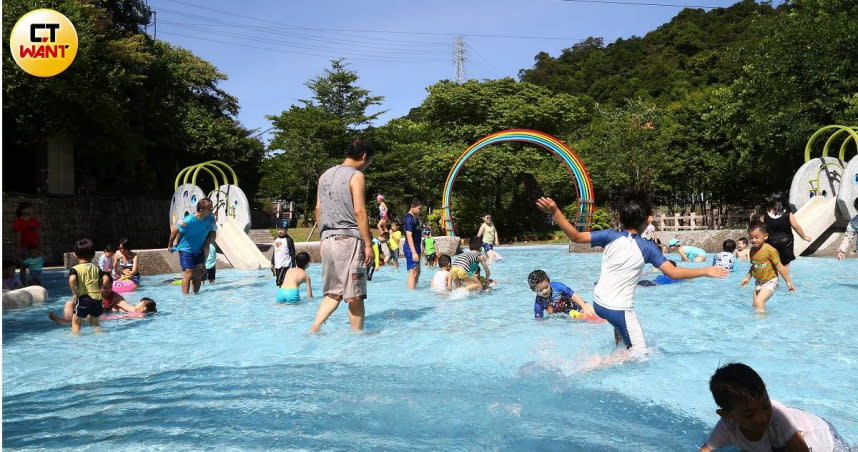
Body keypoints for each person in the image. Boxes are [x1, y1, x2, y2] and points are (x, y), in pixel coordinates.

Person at [536, 189, 728, 354]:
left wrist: (555, 211)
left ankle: (618, 345)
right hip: (618, 309)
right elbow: (673, 273)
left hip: (599, 303)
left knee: (620, 331)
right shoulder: (648, 247)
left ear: (619, 218)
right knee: (639, 354)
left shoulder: (610, 235)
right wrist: (705, 270)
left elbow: (576, 236)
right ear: (649, 220)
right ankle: (594, 365)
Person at [699, 362, 849, 452]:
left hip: (822, 438)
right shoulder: (727, 427)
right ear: (726, 415)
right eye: (749, 415)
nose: (762, 418)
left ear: (765, 389)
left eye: (765, 405)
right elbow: (706, 449)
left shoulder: (778, 417)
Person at [309, 138, 374, 332]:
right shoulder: (356, 176)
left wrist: (322, 238)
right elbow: (360, 212)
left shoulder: (324, 176)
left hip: (327, 240)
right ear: (364, 157)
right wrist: (368, 244)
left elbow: (318, 209)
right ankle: (358, 340)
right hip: (348, 241)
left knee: (333, 293)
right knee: (355, 295)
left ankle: (314, 329)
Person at [741, 222, 795, 313]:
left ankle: (763, 324)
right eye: (751, 237)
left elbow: (780, 267)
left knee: (759, 302)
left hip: (770, 281)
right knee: (755, 304)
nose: (753, 240)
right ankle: (758, 321)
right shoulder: (752, 251)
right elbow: (753, 266)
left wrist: (788, 282)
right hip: (759, 282)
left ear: (765, 236)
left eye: (756, 237)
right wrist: (747, 278)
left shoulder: (770, 250)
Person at [168, 198, 217, 295]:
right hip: (186, 249)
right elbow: (175, 231)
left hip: (198, 248)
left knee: (198, 273)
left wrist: (211, 240)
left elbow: (212, 230)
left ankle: (196, 295)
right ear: (201, 210)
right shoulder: (189, 220)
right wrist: (170, 245)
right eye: (210, 209)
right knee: (189, 272)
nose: (212, 210)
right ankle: (186, 297)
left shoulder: (210, 218)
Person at [760, 192, 811, 283]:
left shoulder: (765, 215)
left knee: (773, 264)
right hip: (786, 243)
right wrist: (804, 237)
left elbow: (760, 228)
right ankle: (787, 282)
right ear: (784, 201)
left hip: (770, 243)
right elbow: (795, 226)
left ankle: (773, 281)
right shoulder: (787, 214)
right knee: (785, 265)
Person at [67, 238, 111, 334]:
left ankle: (75, 339)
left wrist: (74, 293)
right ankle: (101, 335)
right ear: (94, 255)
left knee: (76, 321)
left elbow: (72, 280)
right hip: (97, 299)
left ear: (75, 254)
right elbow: (106, 278)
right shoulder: (96, 268)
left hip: (84, 299)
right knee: (95, 323)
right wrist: (101, 287)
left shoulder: (75, 268)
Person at [527, 269, 594, 319]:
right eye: (540, 290)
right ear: (534, 290)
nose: (545, 291)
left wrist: (585, 308)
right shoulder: (539, 302)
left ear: (549, 282)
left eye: (546, 287)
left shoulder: (558, 287)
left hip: (575, 305)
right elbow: (539, 319)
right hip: (563, 314)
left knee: (591, 310)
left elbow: (574, 296)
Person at [13, 202, 40, 286]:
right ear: (22, 210)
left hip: (34, 247)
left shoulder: (34, 221)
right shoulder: (19, 221)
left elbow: (38, 234)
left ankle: (34, 282)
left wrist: (40, 246)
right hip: (24, 247)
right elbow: (18, 236)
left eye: (31, 208)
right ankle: (23, 284)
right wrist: (18, 248)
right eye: (27, 208)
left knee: (35, 266)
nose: (30, 210)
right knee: (23, 266)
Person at [402, 199, 424, 289]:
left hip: (416, 247)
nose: (420, 211)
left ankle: (414, 288)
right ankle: (411, 294)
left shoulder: (415, 218)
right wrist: (414, 252)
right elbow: (409, 236)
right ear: (412, 207)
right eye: (419, 209)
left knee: (417, 271)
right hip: (410, 248)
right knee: (413, 271)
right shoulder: (408, 219)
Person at [271, 220, 296, 287]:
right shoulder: (276, 239)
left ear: (286, 229)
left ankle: (285, 294)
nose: (280, 231)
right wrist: (272, 263)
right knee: (278, 283)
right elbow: (274, 252)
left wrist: (294, 266)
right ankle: (283, 294)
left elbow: (292, 253)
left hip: (286, 265)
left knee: (280, 281)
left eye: (282, 229)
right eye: (279, 229)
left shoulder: (289, 240)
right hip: (278, 265)